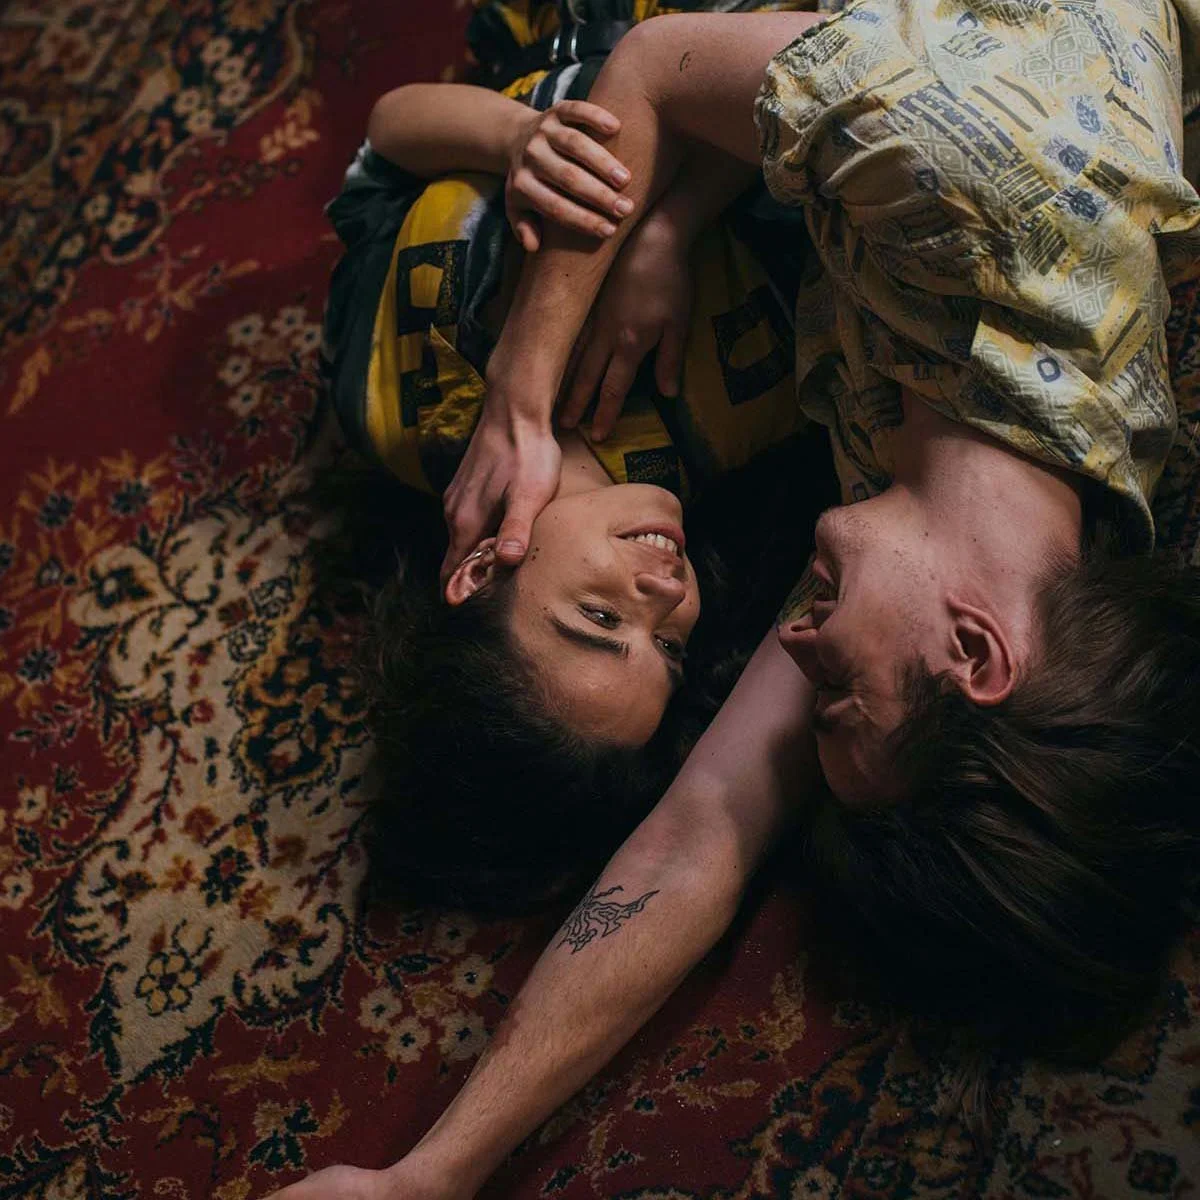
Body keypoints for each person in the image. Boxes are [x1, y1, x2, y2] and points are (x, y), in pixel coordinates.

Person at [274, 0, 1200, 1194]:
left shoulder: (1000, 503)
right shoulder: (980, 192)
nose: (793, 647)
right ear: (975, 650)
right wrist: (525, 381)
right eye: (841, 693)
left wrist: (431, 1172)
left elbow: (700, 838)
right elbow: (655, 65)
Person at [319, 0, 831, 910]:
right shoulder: (747, 402)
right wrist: (675, 223)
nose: (666, 599)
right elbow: (812, 94)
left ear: (480, 569)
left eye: (600, 621)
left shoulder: (390, 403)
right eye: (668, 650)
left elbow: (386, 144)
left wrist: (516, 135)